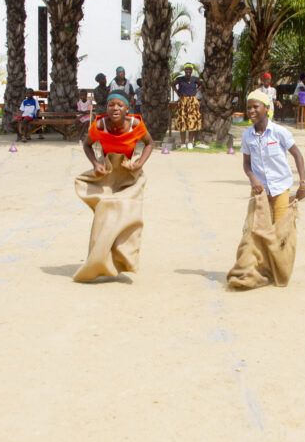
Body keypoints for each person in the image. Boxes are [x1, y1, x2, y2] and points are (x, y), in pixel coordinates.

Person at [74, 91, 153, 282]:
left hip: (128, 172)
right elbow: (87, 145)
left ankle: (123, 261)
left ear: (128, 108)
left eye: (119, 105)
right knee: (105, 214)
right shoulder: (100, 125)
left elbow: (150, 143)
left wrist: (139, 164)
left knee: (128, 216)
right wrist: (95, 164)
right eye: (111, 105)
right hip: (107, 174)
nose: (115, 108)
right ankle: (97, 261)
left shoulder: (135, 124)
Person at [241, 89, 305, 223]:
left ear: (266, 108)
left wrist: (303, 184)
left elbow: (297, 155)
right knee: (257, 231)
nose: (251, 111)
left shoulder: (279, 132)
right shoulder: (247, 136)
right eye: (249, 108)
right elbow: (246, 163)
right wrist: (253, 178)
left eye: (255, 107)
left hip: (280, 188)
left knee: (281, 230)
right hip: (259, 191)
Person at [172, 63, 206, 149]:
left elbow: (201, 84)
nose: (188, 71)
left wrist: (196, 90)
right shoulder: (180, 79)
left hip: (192, 101)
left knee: (192, 121)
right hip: (182, 101)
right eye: (186, 69)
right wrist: (177, 92)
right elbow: (172, 84)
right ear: (184, 70)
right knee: (182, 121)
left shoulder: (195, 79)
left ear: (191, 71)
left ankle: (190, 142)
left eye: (189, 69)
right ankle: (183, 143)